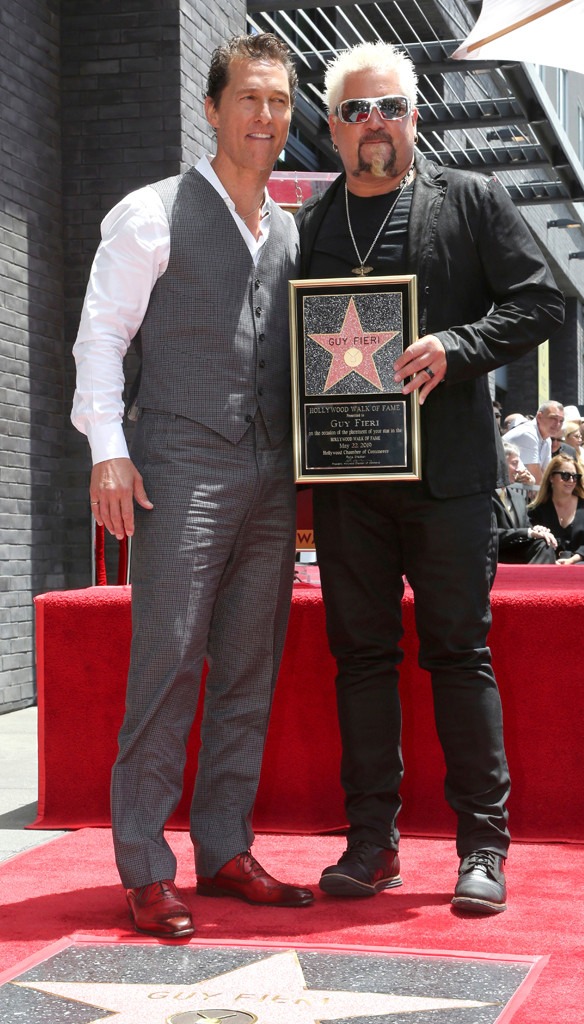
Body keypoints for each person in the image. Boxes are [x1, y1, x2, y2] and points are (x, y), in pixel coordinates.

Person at [296, 41, 565, 915]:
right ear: (332, 126)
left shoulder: (474, 200)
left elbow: (543, 300)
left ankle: (482, 844)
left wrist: (458, 345)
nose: (373, 124)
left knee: (459, 653)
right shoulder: (308, 226)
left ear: (418, 116)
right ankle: (371, 845)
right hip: (346, 482)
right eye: (354, 111)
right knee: (360, 660)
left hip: (448, 481)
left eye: (390, 108)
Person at [71, 32, 314, 940]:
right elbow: (101, 337)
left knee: (249, 667)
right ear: (211, 109)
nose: (265, 116)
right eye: (249, 98)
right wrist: (107, 447)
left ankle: (224, 848)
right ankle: (144, 865)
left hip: (269, 474)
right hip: (176, 461)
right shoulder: (152, 211)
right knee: (167, 663)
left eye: (280, 102)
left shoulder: (290, 228)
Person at [528, 455, 584, 565]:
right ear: (551, 477)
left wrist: (573, 560)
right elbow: (533, 541)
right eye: (565, 476)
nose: (571, 480)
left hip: (580, 564)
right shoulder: (537, 510)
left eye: (575, 476)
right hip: (547, 565)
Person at [493, 443, 557, 563]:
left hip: (518, 552)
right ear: (500, 464)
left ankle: (533, 581)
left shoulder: (518, 498)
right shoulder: (485, 498)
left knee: (545, 543)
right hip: (496, 554)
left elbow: (526, 528)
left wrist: (536, 530)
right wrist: (528, 532)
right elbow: (490, 534)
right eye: (514, 463)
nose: (518, 469)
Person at [504, 400, 565, 483]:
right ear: (539, 417)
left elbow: (547, 473)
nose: (558, 424)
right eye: (553, 418)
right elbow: (538, 480)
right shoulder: (528, 434)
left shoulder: (547, 439)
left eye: (561, 421)